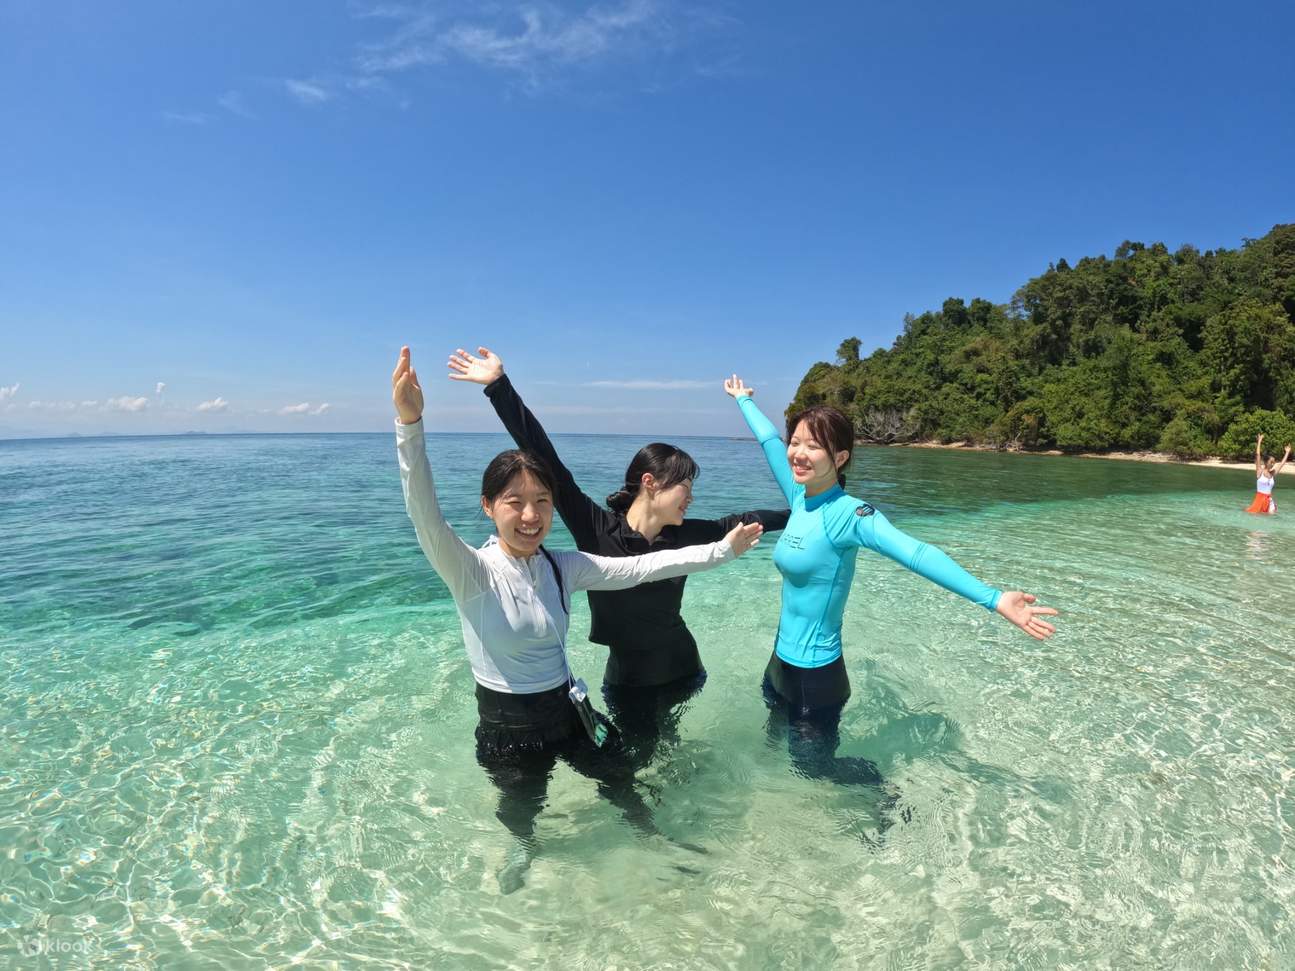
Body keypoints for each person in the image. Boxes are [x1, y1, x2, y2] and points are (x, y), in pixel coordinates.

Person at [392, 347, 762, 893]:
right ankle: (523, 851)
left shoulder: (562, 566)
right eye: (515, 501)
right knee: (522, 808)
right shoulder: (470, 571)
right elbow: (422, 508)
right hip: (508, 725)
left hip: (570, 709)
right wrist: (409, 424)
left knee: (621, 777)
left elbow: (640, 566)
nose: (532, 515)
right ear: (488, 506)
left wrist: (720, 552)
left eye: (542, 500)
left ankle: (651, 839)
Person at [723, 374, 1058, 826]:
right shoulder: (800, 497)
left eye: (813, 446)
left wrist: (995, 598)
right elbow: (767, 441)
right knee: (774, 740)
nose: (798, 453)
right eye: (796, 441)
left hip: (817, 676)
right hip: (780, 663)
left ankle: (880, 791)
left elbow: (916, 552)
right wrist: (744, 400)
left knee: (811, 767)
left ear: (840, 457)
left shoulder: (853, 516)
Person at [446, 346, 789, 768]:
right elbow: (544, 456)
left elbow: (751, 519)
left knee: (672, 758)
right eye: (685, 485)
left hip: (684, 669)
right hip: (628, 682)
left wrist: (808, 510)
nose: (691, 497)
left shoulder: (690, 533)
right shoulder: (595, 529)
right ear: (651, 482)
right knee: (637, 766)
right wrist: (499, 387)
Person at [1245, 433, 1290, 514]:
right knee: (1257, 517)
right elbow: (1258, 455)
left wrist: (1287, 452)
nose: (1273, 464)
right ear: (1266, 462)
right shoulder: (1260, 471)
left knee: (1270, 517)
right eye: (1271, 462)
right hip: (1259, 500)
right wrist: (1259, 441)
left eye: (1274, 462)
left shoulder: (1272, 473)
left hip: (1269, 500)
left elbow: (1281, 464)